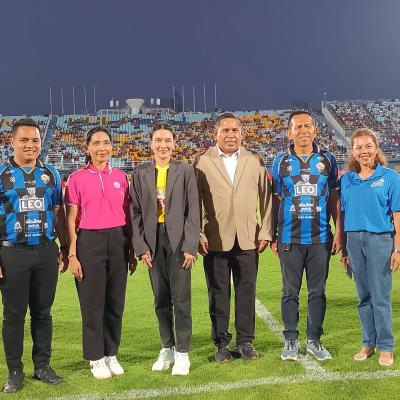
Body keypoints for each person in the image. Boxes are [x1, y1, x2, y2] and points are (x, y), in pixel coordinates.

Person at [193, 112, 273, 362]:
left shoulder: (254, 159)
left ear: (241, 133)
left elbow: (267, 197)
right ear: (215, 134)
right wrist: (198, 233)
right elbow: (193, 201)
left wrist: (266, 230)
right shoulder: (202, 161)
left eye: (235, 130)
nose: (230, 135)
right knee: (218, 293)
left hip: (248, 237)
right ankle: (221, 344)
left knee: (246, 291)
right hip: (215, 238)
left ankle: (245, 342)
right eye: (225, 130)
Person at [0, 118, 68, 393]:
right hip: (11, 252)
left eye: (35, 140)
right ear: (12, 142)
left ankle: (42, 366)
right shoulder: (2, 174)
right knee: (13, 315)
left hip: (45, 251)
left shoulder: (51, 173)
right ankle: (15, 371)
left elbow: (58, 213)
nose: (30, 145)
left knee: (43, 313)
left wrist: (65, 247)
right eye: (24, 140)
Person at [65, 126, 136, 380]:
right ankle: (95, 358)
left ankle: (111, 354)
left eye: (106, 143)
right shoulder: (76, 178)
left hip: (118, 240)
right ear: (87, 147)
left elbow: (127, 216)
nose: (101, 148)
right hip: (89, 241)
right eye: (96, 143)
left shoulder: (122, 177)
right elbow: (70, 220)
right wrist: (72, 255)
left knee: (116, 302)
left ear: (112, 147)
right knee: (92, 303)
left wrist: (131, 250)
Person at [271, 110, 341, 362]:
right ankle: (290, 339)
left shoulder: (328, 159)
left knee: (317, 292)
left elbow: (334, 197)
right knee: (289, 292)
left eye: (307, 126)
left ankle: (314, 340)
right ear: (289, 133)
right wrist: (273, 234)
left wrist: (339, 231)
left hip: (320, 238)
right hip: (289, 238)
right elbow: (275, 200)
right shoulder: (280, 161)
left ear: (315, 130)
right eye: (297, 127)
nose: (303, 130)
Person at [130, 123, 199, 376]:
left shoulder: (185, 170)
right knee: (160, 299)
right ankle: (167, 347)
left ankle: (182, 352)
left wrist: (190, 246)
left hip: (179, 241)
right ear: (151, 144)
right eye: (158, 140)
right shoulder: (140, 173)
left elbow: (193, 210)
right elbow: (135, 212)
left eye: (167, 140)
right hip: (153, 241)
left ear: (174, 143)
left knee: (181, 298)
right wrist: (141, 247)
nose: (163, 145)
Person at [340, 128, 400, 367]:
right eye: (359, 147)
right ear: (353, 152)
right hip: (354, 241)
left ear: (376, 149)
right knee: (363, 296)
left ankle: (386, 346)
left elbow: (397, 216)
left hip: (380, 241)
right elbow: (343, 214)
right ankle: (368, 343)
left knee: (380, 296)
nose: (364, 151)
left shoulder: (390, 177)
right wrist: (344, 250)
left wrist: (397, 249)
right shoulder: (346, 179)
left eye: (368, 146)